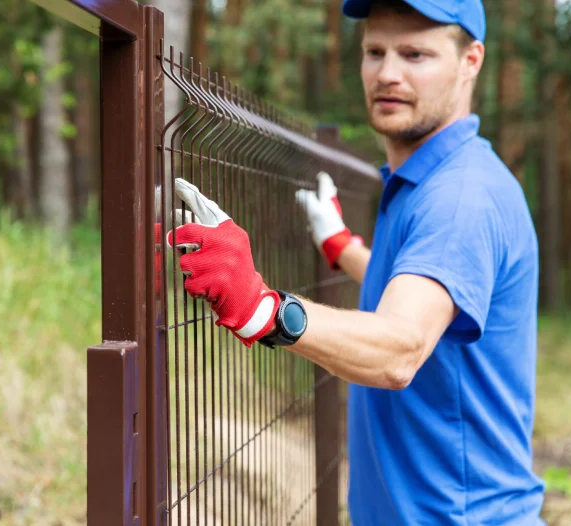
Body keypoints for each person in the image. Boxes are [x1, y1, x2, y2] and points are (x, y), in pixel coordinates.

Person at [165, 0, 546, 523]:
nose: (388, 73)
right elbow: (425, 293)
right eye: (375, 51)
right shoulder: (425, 180)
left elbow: (401, 348)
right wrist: (343, 248)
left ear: (471, 61)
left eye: (415, 54)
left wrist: (263, 308)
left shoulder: (459, 198)